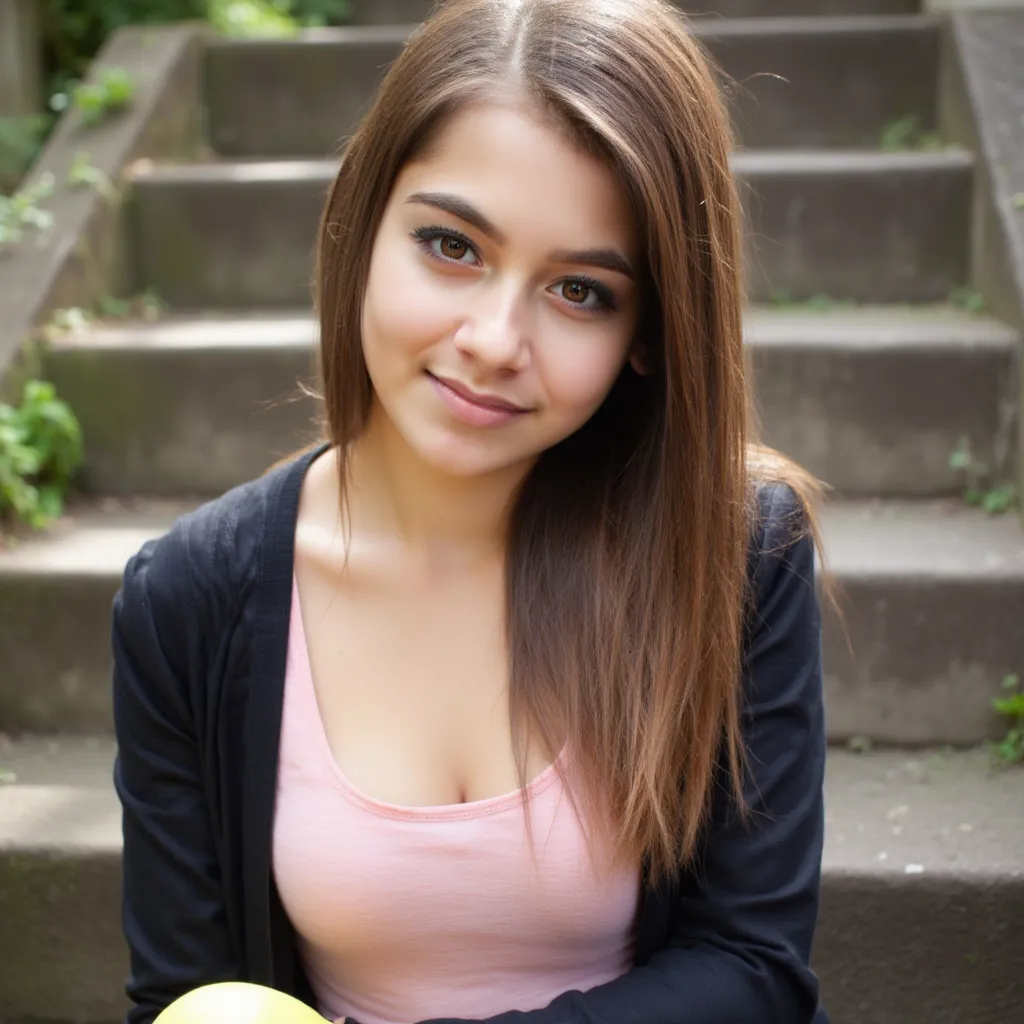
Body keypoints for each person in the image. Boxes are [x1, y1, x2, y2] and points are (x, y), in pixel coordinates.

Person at [111, 0, 830, 1022]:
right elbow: (183, 996)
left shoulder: (732, 549)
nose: (495, 338)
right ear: (362, 228)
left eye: (581, 291)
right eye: (451, 244)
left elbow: (751, 967)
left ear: (649, 333)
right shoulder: (186, 600)